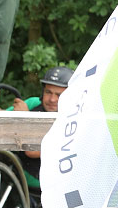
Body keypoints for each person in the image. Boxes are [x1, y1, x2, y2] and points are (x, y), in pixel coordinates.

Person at [11, 65, 73, 194]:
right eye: (48, 92)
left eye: (59, 95)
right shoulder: (33, 103)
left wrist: (26, 118)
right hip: (13, 170)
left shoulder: (73, 120)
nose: (52, 99)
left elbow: (32, 152)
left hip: (45, 179)